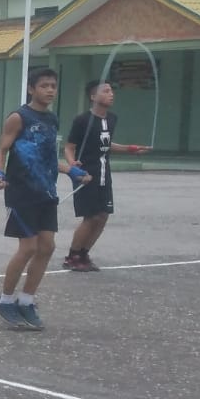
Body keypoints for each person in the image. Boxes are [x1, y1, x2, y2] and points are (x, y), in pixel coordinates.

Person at [0, 67, 90, 330]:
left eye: (53, 86)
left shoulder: (52, 119)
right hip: (21, 191)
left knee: (47, 247)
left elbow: (47, 159)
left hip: (46, 191)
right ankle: (5, 299)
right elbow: (1, 151)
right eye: (44, 85)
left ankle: (26, 301)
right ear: (31, 89)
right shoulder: (18, 117)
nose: (49, 90)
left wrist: (72, 170)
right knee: (29, 248)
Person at [62, 79, 135, 272]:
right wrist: (72, 164)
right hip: (87, 173)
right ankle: (72, 256)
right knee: (90, 217)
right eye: (106, 91)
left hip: (105, 173)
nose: (111, 94)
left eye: (112, 91)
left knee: (103, 216)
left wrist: (129, 149)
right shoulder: (82, 120)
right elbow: (69, 147)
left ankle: (84, 254)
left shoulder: (112, 119)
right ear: (93, 96)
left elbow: (106, 143)